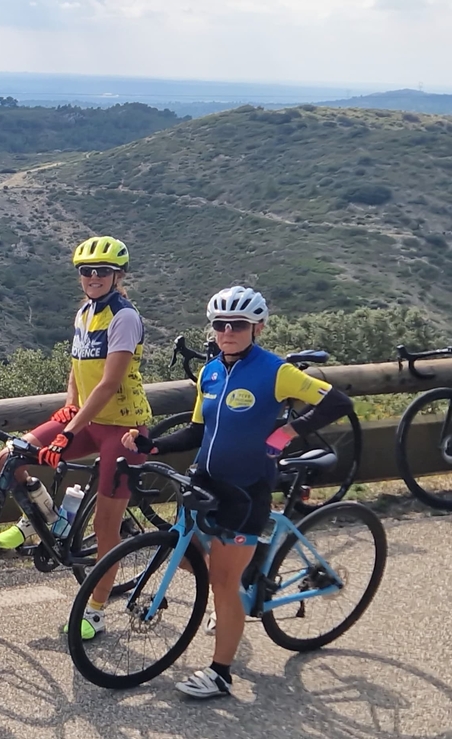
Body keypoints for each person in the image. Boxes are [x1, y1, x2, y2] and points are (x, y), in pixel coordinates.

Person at [123, 286, 353, 699]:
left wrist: (286, 433)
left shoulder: (276, 371)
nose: (227, 332)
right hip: (206, 481)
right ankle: (235, 595)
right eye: (220, 324)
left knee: (224, 586)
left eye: (238, 325)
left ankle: (220, 674)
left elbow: (338, 402)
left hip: (246, 491)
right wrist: (151, 446)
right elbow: (197, 431)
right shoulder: (210, 372)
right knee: (188, 554)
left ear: (257, 328)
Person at [0, 235, 151, 641]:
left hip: (125, 428)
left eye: (102, 271)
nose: (93, 277)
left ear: (118, 275)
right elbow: (77, 370)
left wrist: (68, 431)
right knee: (10, 457)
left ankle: (95, 612)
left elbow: (109, 383)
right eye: (86, 271)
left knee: (106, 527)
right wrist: (68, 407)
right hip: (87, 419)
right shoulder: (84, 312)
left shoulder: (124, 317)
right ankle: (46, 519)